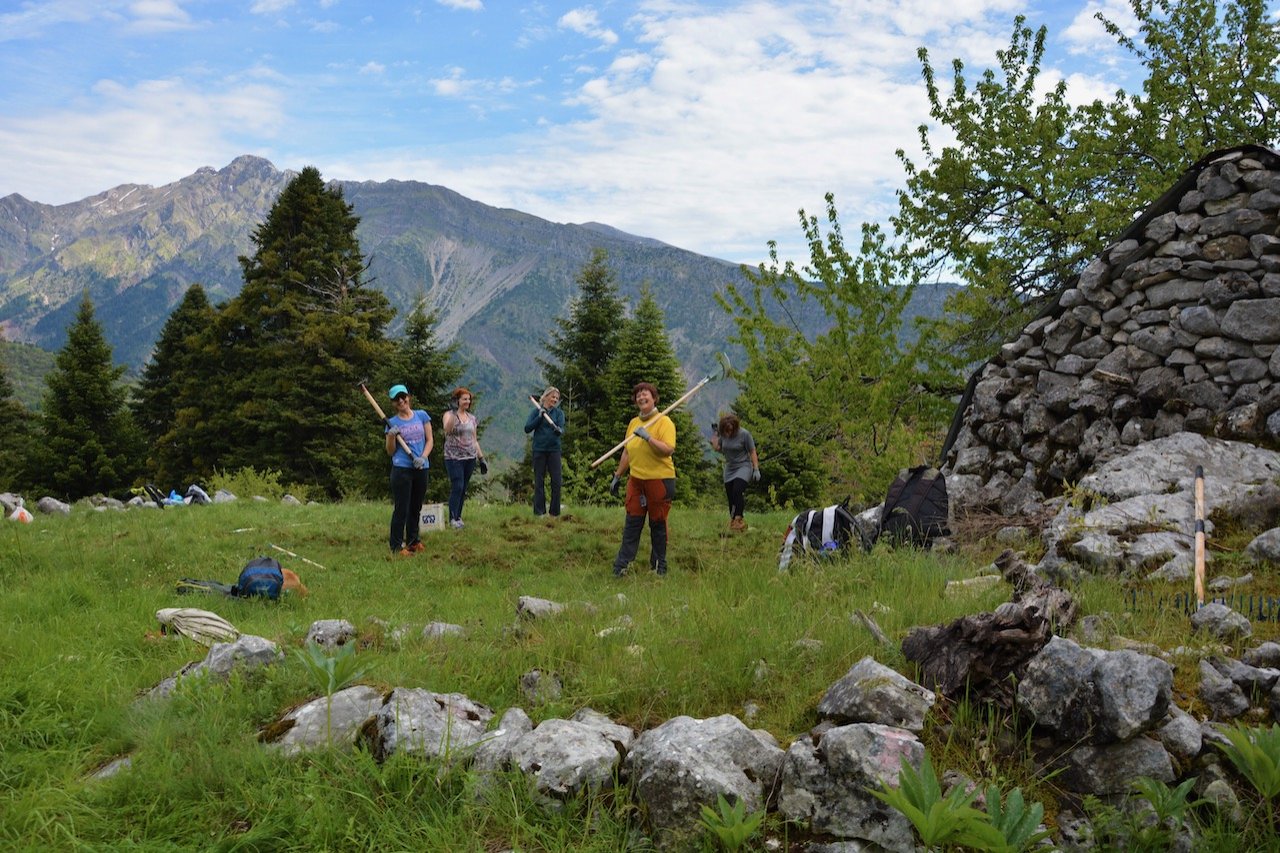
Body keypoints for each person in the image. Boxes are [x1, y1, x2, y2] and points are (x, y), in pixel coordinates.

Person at [609, 382, 676, 576]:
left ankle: (658, 568)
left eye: (645, 394)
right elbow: (627, 452)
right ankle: (622, 567)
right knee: (632, 523)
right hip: (636, 481)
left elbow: (668, 450)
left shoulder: (664, 422)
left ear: (654, 398)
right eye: (638, 395)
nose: (641, 397)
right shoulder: (634, 423)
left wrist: (648, 438)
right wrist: (618, 475)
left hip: (660, 481)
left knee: (657, 524)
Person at [384, 383, 433, 557]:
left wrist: (423, 457)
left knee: (415, 506)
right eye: (397, 399)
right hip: (402, 469)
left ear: (408, 397)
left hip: (421, 467)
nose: (401, 401)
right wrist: (391, 436)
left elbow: (429, 440)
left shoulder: (421, 416)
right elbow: (390, 451)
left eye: (403, 397)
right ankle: (396, 546)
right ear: (393, 403)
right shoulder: (392, 423)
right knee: (401, 508)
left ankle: (413, 541)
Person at [442, 386, 487, 529]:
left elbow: (474, 439)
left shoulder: (472, 418)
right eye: (464, 399)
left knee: (463, 488)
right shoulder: (449, 415)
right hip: (453, 457)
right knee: (457, 486)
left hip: (469, 457)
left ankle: (458, 516)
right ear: (457, 400)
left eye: (469, 399)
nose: (467, 402)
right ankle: (452, 518)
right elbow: (447, 430)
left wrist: (481, 458)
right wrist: (455, 413)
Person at [710, 413, 760, 532]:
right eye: (726, 430)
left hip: (743, 466)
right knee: (730, 494)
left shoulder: (744, 434)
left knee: (737, 490)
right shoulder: (723, 435)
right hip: (730, 468)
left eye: (731, 430)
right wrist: (716, 436)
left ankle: (739, 518)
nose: (729, 432)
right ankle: (733, 520)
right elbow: (718, 448)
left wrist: (756, 468)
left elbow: (752, 451)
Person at [525, 386, 565, 517]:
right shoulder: (536, 411)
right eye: (553, 397)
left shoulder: (559, 413)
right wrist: (539, 417)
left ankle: (554, 513)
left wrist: (558, 430)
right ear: (546, 397)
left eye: (557, 398)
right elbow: (527, 428)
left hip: (554, 450)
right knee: (539, 481)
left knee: (556, 482)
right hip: (539, 450)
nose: (555, 400)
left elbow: (560, 428)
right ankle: (539, 512)